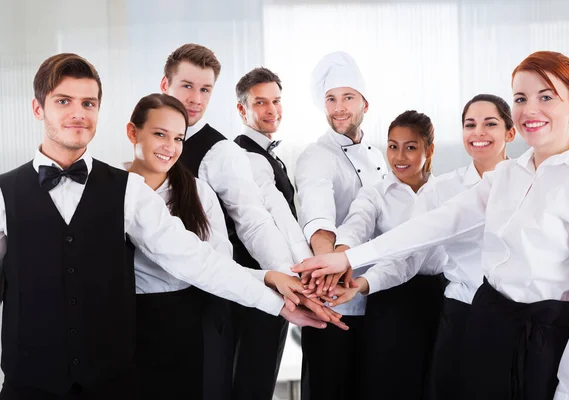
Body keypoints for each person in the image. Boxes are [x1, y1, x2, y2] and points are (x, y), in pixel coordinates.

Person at [0, 53, 335, 400]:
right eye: (63, 101)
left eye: (88, 103)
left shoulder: (128, 190)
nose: (78, 113)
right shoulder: (3, 192)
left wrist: (277, 301)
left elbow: (196, 258)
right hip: (28, 383)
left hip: (110, 382)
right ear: (38, 109)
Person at [294, 51, 569, 400]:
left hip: (544, 339)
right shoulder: (510, 174)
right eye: (521, 98)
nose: (531, 109)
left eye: (546, 96)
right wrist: (347, 258)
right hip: (487, 327)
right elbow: (433, 225)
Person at [159, 44, 344, 399]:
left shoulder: (222, 150)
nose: (196, 99)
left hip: (213, 298)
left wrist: (290, 281)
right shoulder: (149, 143)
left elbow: (256, 220)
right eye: (187, 86)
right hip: (156, 308)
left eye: (205, 89)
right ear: (165, 83)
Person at [326, 96, 516, 399]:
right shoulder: (443, 191)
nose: (478, 132)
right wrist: (356, 274)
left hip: (514, 317)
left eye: (489, 124)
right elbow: (408, 251)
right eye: (470, 125)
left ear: (511, 132)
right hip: (457, 312)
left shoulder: (530, 183)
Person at [327, 110, 446, 399]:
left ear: (429, 149)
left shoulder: (447, 193)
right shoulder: (375, 194)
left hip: (440, 300)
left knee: (435, 383)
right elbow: (356, 226)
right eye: (393, 146)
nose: (399, 156)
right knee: (386, 382)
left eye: (410, 147)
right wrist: (342, 256)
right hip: (389, 300)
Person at [294, 51, 387, 400]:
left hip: (372, 294)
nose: (338, 108)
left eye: (348, 97)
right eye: (331, 99)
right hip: (333, 303)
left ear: (365, 102)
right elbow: (318, 219)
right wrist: (329, 270)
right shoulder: (317, 155)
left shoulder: (379, 155)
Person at [232, 67, 314, 399]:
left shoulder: (269, 154)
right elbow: (270, 227)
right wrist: (302, 275)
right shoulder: (246, 157)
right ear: (242, 109)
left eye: (276, 101)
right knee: (254, 379)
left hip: (273, 284)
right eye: (261, 102)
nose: (272, 110)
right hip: (262, 287)